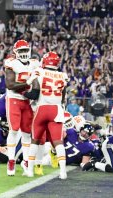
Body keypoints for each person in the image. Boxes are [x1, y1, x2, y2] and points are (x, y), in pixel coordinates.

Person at [23, 51, 69, 179]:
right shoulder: (63, 75)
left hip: (42, 108)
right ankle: (63, 172)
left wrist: (25, 93)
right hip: (56, 109)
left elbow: (32, 88)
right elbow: (64, 92)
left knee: (35, 141)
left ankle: (30, 170)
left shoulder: (40, 71)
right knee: (58, 142)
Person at [4, 39, 40, 176]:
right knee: (13, 130)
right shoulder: (11, 63)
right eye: (21, 51)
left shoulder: (34, 64)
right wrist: (28, 83)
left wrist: (34, 92)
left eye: (25, 50)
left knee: (26, 133)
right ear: (15, 52)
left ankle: (25, 161)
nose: (24, 53)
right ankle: (11, 160)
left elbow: (37, 82)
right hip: (14, 99)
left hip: (27, 101)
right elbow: (10, 85)